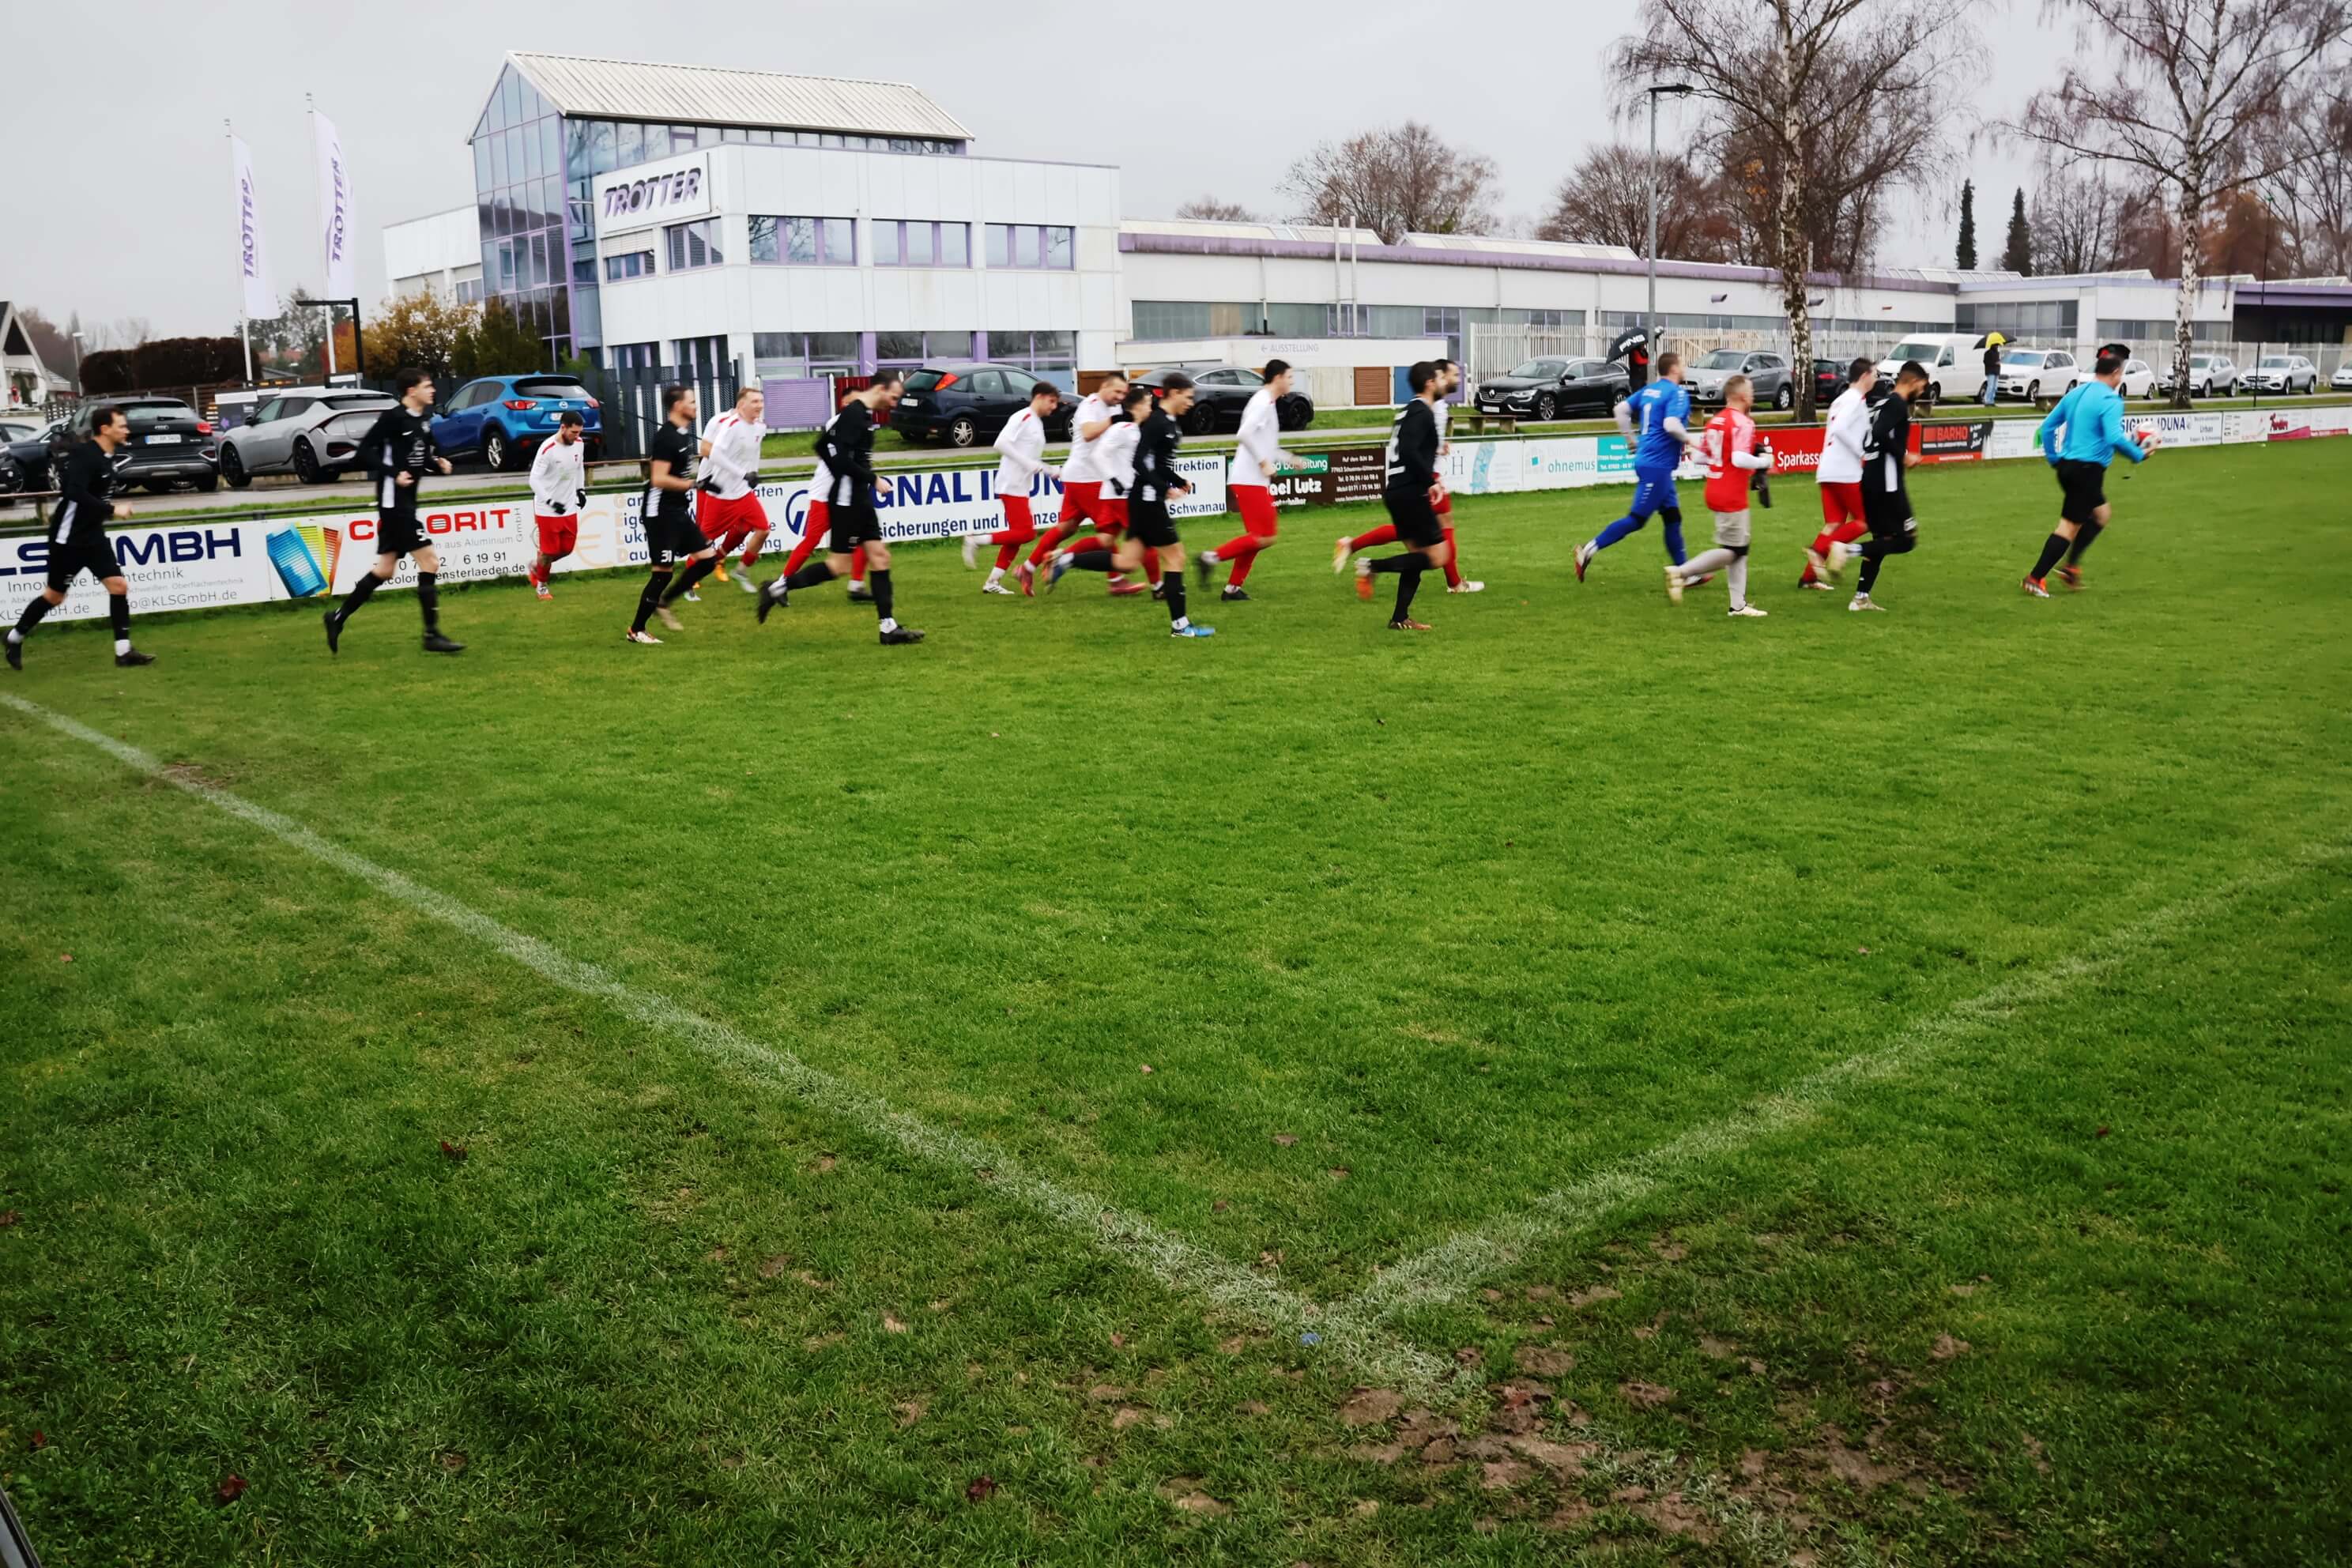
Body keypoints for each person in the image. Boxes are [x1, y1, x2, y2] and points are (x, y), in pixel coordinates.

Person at [756, 372, 924, 644]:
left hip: (859, 496)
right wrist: (869, 478)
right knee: (839, 565)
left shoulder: (863, 415)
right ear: (880, 389)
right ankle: (777, 588)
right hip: (848, 499)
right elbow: (837, 455)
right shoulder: (854, 415)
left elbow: (823, 446)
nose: (894, 404)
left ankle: (888, 628)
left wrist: (853, 476)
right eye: (893, 397)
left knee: (880, 557)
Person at [1044, 372, 1213, 638]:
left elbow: (1157, 465)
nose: (1191, 403)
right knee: (1176, 557)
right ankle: (1180, 625)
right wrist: (1162, 488)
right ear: (1174, 393)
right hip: (1146, 501)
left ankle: (1067, 559)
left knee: (1127, 561)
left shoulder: (1166, 422)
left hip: (1141, 500)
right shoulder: (1157, 423)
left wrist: (1178, 481)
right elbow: (1139, 462)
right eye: (1188, 397)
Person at [6, 405, 155, 669]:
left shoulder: (108, 456)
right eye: (121, 426)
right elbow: (74, 492)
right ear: (105, 429)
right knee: (55, 597)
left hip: (93, 536)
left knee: (119, 586)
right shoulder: (86, 456)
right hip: (68, 539)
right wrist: (112, 510)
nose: (127, 430)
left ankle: (123, 653)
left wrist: (105, 512)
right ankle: (13, 638)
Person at [325, 368, 462, 655]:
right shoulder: (392, 418)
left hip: (406, 502)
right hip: (394, 505)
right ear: (411, 391)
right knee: (430, 562)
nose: (432, 390)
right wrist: (393, 473)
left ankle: (337, 617)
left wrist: (438, 464)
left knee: (385, 570)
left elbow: (420, 456)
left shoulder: (424, 420)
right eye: (427, 385)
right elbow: (364, 452)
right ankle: (431, 635)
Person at [1331, 356, 1482, 593]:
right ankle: (1453, 583)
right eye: (1452, 375)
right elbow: (1412, 446)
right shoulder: (1430, 407)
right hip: (1423, 477)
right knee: (1434, 537)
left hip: (1416, 479)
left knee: (1414, 536)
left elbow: (1416, 441)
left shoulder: (1427, 406)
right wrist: (1431, 477)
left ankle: (1359, 553)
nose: (1457, 379)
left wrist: (1437, 447)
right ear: (1436, 380)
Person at [2022, 352, 2158, 597]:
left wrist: (2054, 458)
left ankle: (2071, 568)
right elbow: (2114, 437)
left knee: (2102, 514)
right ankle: (2035, 578)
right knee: (2068, 527)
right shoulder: (2111, 400)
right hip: (2087, 471)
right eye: (2121, 373)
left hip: (2068, 467)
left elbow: (2048, 427)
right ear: (2115, 373)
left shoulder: (2076, 393)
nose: (2121, 377)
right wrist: (2138, 455)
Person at [1574, 351, 1694, 582]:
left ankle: (1685, 573)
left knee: (1673, 517)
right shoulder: (1677, 392)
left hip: (1651, 462)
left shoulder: (1650, 390)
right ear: (1674, 369)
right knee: (1636, 519)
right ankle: (1588, 550)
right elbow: (1671, 424)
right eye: (1683, 364)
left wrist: (1631, 441)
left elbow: (1620, 410)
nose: (1685, 368)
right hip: (1657, 465)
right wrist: (1690, 440)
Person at [1350, 360, 1452, 631]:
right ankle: (1371, 566)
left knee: (1417, 557)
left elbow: (1409, 447)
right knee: (1438, 556)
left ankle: (1399, 618)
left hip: (1398, 490)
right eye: (1440, 378)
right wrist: (1430, 481)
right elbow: (1408, 450)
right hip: (1410, 492)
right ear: (1430, 383)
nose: (1444, 383)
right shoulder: (1422, 412)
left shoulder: (1408, 411)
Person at [620, 386, 723, 642]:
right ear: (678, 406)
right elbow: (658, 478)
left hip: (677, 510)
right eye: (692, 402)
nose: (696, 406)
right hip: (660, 512)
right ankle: (637, 630)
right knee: (662, 572)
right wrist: (694, 484)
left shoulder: (682, 435)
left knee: (708, 559)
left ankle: (664, 602)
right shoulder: (667, 438)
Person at [1668, 373, 1773, 616]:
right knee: (1735, 551)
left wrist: (1717, 459)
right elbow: (1738, 458)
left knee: (1738, 549)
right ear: (1742, 395)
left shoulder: (1716, 420)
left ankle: (1738, 605)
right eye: (1751, 391)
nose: (1753, 395)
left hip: (1715, 489)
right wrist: (1764, 462)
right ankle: (1681, 573)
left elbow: (1700, 457)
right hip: (1732, 493)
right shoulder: (1743, 422)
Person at [1197, 359, 1298, 601]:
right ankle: (1210, 558)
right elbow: (1243, 434)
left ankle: (1232, 589)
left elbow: (1267, 445)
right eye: (1289, 377)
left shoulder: (1267, 402)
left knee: (1256, 538)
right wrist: (1263, 463)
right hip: (1248, 479)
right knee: (1266, 537)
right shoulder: (1263, 402)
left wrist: (1290, 458)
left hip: (1251, 479)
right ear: (1278, 378)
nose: (1292, 382)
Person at [1023, 370, 1132, 594]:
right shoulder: (1089, 405)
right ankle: (1116, 581)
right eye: (1117, 391)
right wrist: (1113, 421)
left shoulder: (1115, 408)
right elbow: (1089, 432)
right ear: (1104, 386)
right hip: (1087, 477)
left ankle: (1027, 567)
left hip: (1082, 476)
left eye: (1124, 393)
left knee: (1066, 528)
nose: (1121, 397)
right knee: (1108, 534)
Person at [966, 381, 1062, 594]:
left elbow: (1030, 458)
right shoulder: (1023, 417)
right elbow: (1000, 444)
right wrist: (1031, 465)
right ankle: (977, 539)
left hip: (1019, 484)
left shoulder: (1035, 422)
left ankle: (992, 582)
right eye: (1052, 401)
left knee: (1016, 537)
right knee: (1026, 533)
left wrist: (1049, 470)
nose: (1054, 407)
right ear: (1039, 397)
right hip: (1011, 483)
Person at [1849, 360, 1928, 612]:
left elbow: (1872, 434)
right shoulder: (1896, 404)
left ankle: (1861, 598)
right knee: (1906, 540)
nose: (1922, 392)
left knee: (1882, 541)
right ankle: (1848, 550)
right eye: (1922, 387)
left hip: (1870, 480)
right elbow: (1880, 432)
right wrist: (1904, 456)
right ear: (1912, 382)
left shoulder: (1882, 402)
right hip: (1888, 484)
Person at [1800, 358, 1875, 590]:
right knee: (1865, 521)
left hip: (1828, 469)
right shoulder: (1855, 400)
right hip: (1845, 470)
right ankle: (1820, 550)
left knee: (1833, 523)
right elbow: (1841, 429)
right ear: (1864, 376)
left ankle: (1809, 578)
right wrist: (1861, 453)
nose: (1876, 379)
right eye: (1874, 374)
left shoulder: (1840, 400)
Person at [773, 426, 871, 602]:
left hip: (841, 497)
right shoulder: (843, 424)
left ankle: (856, 586)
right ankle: (781, 584)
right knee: (812, 540)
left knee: (865, 537)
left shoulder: (855, 424)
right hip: (824, 496)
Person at [696, 386, 771, 595]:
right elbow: (707, 451)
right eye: (754, 401)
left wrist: (751, 474)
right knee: (704, 536)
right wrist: (739, 471)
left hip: (741, 489)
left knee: (755, 528)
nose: (759, 405)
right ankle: (692, 576)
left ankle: (728, 564)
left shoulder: (758, 426)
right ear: (741, 404)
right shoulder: (722, 422)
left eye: (760, 401)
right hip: (713, 485)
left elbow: (753, 454)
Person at [526, 410, 589, 600]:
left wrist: (581, 490)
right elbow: (533, 480)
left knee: (567, 549)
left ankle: (537, 565)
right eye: (573, 432)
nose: (577, 436)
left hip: (569, 506)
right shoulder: (548, 449)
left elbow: (579, 467)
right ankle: (542, 587)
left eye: (579, 432)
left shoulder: (579, 444)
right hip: (547, 509)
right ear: (563, 428)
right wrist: (550, 501)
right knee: (549, 551)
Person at [1981, 335, 2003, 408]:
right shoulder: (1987, 353)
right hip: (1990, 372)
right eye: (1996, 345)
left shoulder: (1997, 353)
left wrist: (1998, 363)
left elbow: (1997, 362)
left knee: (1995, 387)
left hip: (1996, 372)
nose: (1997, 346)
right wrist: (1995, 363)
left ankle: (1991, 401)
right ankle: (1987, 401)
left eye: (1998, 345)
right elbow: (1986, 362)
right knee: (1990, 386)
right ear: (1993, 345)